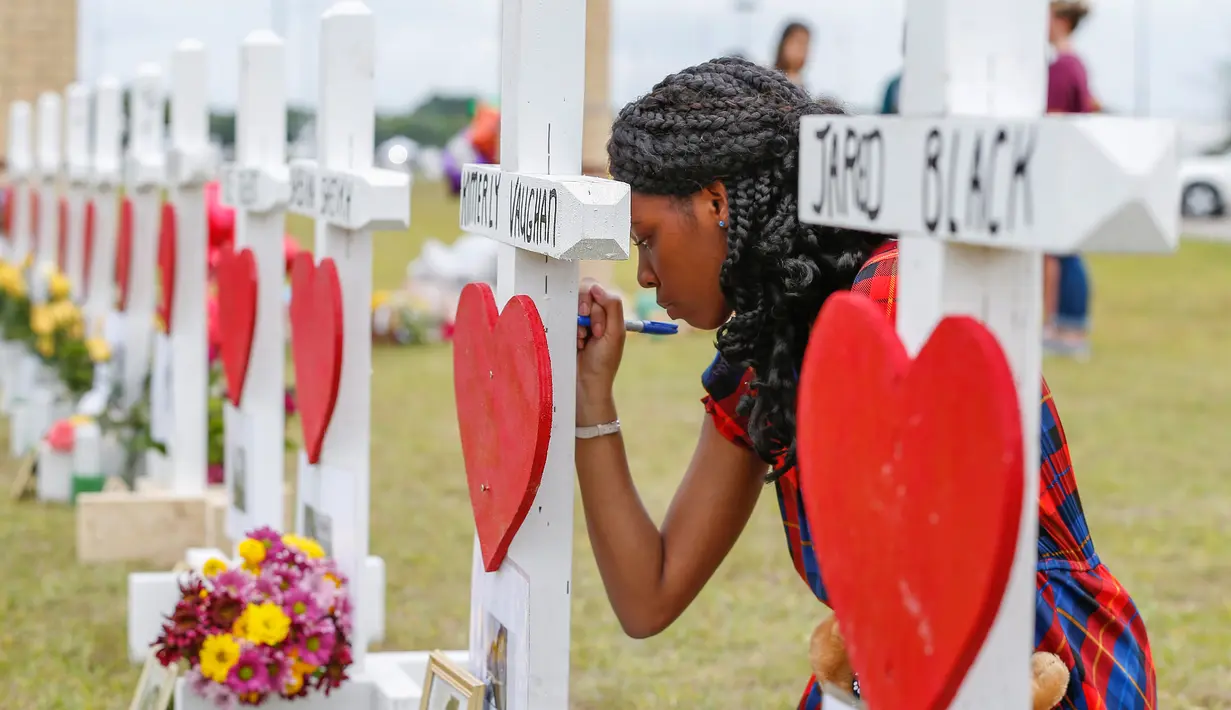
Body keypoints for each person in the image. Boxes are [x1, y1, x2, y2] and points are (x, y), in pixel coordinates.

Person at [577, 57, 1155, 709]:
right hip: (891, 664)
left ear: (716, 201)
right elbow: (647, 597)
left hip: (1043, 660)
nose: (645, 276)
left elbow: (941, 581)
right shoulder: (768, 347)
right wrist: (591, 400)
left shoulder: (895, 296)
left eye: (646, 239)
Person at [1045, 0, 1096, 358]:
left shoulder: (1062, 67)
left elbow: (1053, 120)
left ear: (1060, 20)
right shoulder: (1076, 64)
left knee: (1055, 253)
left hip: (1056, 169)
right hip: (1071, 170)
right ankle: (1069, 326)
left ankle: (1060, 328)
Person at [773, 21, 811, 87]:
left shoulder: (803, 88)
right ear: (784, 44)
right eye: (798, 42)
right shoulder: (763, 79)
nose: (802, 49)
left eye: (805, 44)